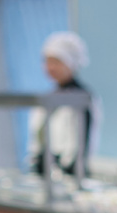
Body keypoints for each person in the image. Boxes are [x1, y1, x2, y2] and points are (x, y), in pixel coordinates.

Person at [27, 31, 100, 177]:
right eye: (47, 61)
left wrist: (64, 170)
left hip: (70, 176)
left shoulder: (82, 99)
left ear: (71, 63)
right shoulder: (48, 98)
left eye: (56, 62)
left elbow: (80, 146)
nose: (50, 67)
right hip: (47, 176)